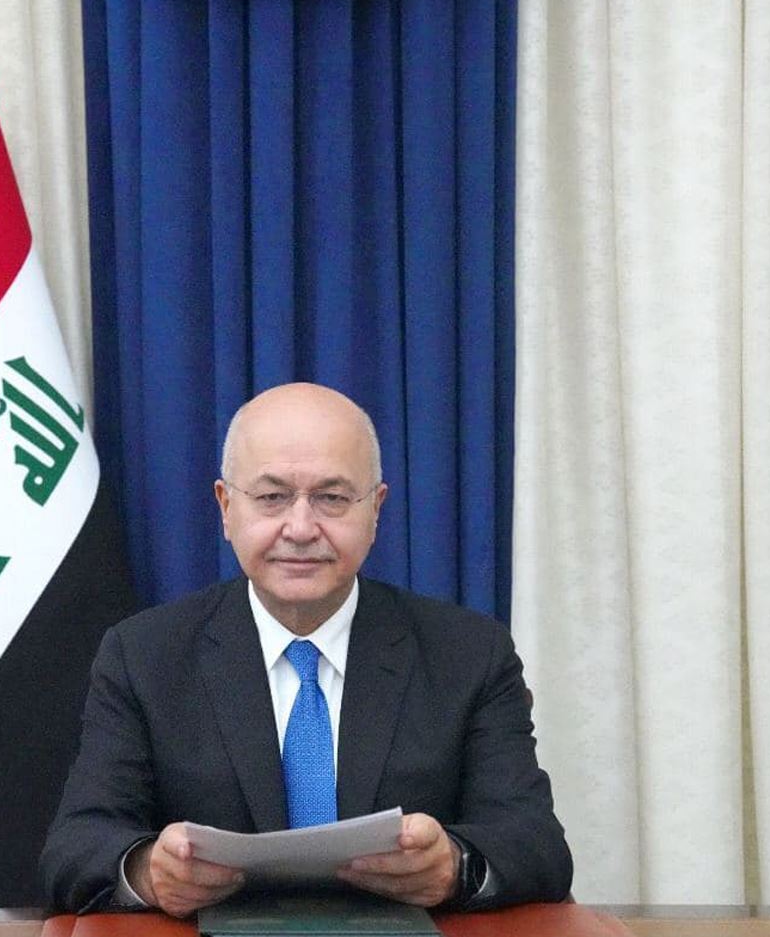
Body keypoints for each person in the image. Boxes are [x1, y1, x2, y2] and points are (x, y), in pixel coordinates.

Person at [40, 383, 571, 916]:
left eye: (332, 498)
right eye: (272, 497)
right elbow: (75, 847)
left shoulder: (468, 653)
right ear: (226, 507)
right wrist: (147, 871)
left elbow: (535, 844)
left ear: (376, 510)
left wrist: (455, 865)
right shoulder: (144, 656)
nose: (299, 528)